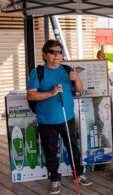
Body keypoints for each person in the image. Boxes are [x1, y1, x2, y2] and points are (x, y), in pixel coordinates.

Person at [27, 40, 92, 194]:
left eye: (59, 52)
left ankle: (79, 174)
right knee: (50, 151)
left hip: (67, 117)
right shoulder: (38, 72)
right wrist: (51, 93)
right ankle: (55, 178)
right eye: (52, 52)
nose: (56, 55)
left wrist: (75, 78)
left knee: (73, 148)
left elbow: (80, 89)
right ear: (45, 54)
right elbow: (30, 95)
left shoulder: (67, 70)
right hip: (46, 120)